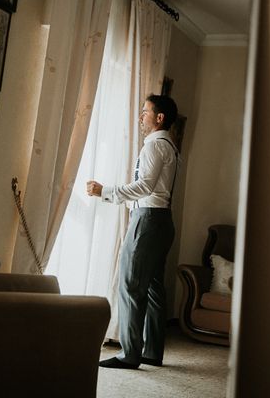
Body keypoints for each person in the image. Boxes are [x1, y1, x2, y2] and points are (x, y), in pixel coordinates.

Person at [87, 94, 179, 370]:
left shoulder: (154, 146)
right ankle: (152, 351)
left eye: (145, 112)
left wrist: (105, 191)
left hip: (148, 220)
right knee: (152, 287)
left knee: (130, 285)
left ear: (159, 118)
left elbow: (144, 188)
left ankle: (130, 354)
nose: (140, 117)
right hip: (163, 220)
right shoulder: (171, 146)